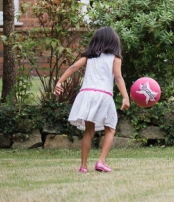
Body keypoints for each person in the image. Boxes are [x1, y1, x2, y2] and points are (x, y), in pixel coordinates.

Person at [55, 27, 130, 173]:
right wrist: (126, 97)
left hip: (87, 95)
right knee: (110, 128)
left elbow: (73, 67)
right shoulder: (115, 58)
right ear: (114, 42)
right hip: (103, 95)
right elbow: (118, 77)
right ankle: (101, 161)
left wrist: (59, 82)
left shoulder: (90, 57)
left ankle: (83, 166)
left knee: (89, 131)